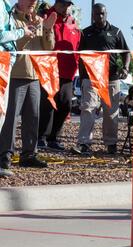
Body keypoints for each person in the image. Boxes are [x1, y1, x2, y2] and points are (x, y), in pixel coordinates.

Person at [0, 0, 56, 178]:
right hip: (15, 74)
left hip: (33, 76)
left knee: (33, 117)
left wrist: (47, 29)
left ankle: (29, 154)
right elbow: (15, 45)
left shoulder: (39, 20)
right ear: (20, 2)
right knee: (10, 119)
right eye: (30, 2)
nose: (33, 4)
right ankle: (4, 156)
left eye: (35, 2)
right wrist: (27, 33)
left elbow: (49, 47)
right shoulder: (11, 20)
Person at [72, 3, 130, 156]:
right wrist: (83, 76)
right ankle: (84, 143)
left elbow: (126, 52)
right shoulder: (85, 33)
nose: (100, 16)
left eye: (102, 13)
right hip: (91, 79)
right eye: (97, 14)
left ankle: (111, 144)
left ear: (106, 14)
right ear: (92, 15)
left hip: (111, 78)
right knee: (88, 109)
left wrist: (125, 67)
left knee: (111, 113)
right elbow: (81, 56)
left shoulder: (116, 32)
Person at [37, 0, 81, 152]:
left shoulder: (73, 23)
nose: (66, 7)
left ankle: (53, 137)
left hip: (68, 72)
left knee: (65, 104)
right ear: (56, 3)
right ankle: (41, 138)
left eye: (69, 4)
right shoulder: (46, 17)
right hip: (49, 70)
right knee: (47, 105)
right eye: (63, 4)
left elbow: (77, 44)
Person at [0, 0, 31, 135]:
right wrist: (21, 32)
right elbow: (1, 35)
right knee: (1, 110)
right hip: (2, 61)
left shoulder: (6, 7)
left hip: (5, 61)